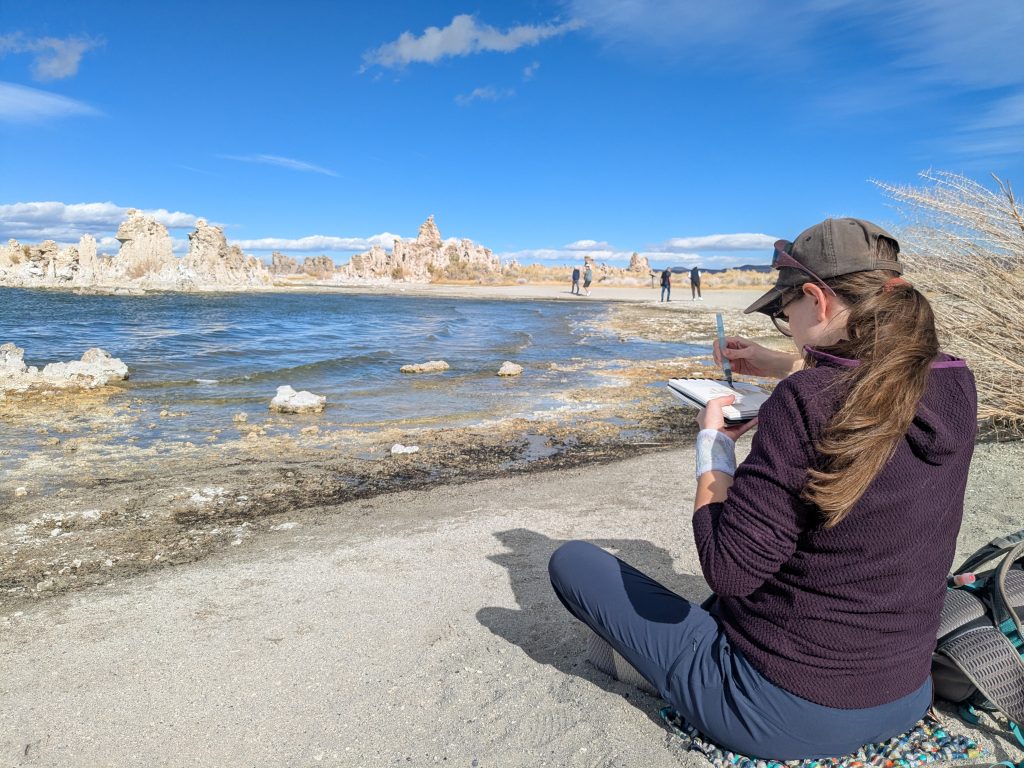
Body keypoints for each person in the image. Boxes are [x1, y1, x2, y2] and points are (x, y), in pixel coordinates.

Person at [548, 218, 977, 760]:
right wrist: (776, 364)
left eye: (783, 313)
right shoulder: (954, 382)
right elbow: (870, 382)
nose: (786, 324)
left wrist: (714, 449)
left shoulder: (803, 403)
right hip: (905, 692)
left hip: (782, 712)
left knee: (574, 563)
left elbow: (729, 570)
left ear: (816, 300)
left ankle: (655, 671)